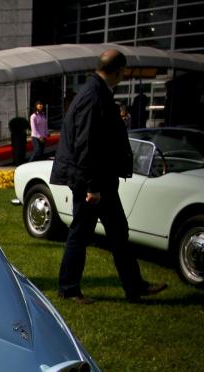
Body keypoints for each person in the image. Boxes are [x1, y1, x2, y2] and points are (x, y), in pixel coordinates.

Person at [50, 49, 167, 304]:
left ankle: (134, 287)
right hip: (92, 182)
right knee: (81, 234)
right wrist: (92, 187)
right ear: (118, 70)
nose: (124, 76)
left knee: (118, 233)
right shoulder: (94, 97)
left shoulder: (96, 92)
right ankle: (68, 289)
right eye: (124, 71)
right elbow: (87, 145)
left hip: (100, 180)